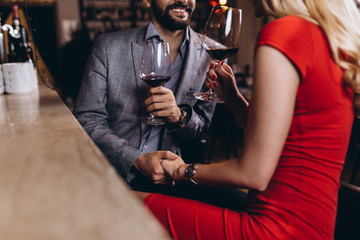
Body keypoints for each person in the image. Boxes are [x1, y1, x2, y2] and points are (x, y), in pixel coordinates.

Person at [136, 0, 360, 239]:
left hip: (271, 228)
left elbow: (253, 173)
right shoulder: (331, 36)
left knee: (130, 201)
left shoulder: (283, 33)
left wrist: (183, 170)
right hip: (317, 226)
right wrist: (233, 98)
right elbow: (284, 138)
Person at [73, 0, 217, 193]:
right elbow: (87, 118)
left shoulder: (212, 52)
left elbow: (202, 126)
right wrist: (135, 159)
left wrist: (179, 116)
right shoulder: (108, 46)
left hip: (176, 177)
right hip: (116, 177)